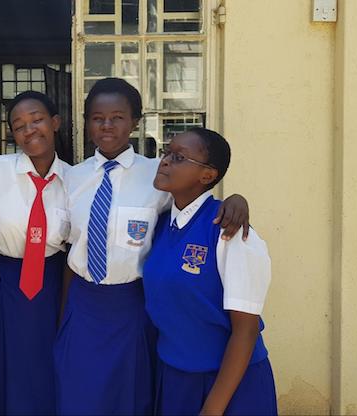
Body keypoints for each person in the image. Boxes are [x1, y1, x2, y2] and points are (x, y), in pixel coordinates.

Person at [54, 77, 250, 415]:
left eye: (117, 117)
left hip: (132, 305)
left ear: (134, 122)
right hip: (84, 303)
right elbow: (68, 248)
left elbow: (193, 208)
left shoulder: (158, 175)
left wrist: (236, 199)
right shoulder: (71, 178)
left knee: (130, 397)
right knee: (77, 395)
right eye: (97, 118)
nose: (107, 125)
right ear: (86, 123)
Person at [144, 128, 277, 415]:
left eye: (178, 157)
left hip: (229, 386)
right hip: (175, 377)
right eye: (166, 152)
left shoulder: (229, 232)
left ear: (208, 175)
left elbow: (246, 329)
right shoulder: (161, 224)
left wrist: (213, 409)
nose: (165, 161)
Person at [0, 91, 70, 415]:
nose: (29, 130)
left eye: (37, 119)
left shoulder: (74, 180)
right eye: (19, 125)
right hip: (0, 281)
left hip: (49, 286)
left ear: (55, 123)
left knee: (43, 366)